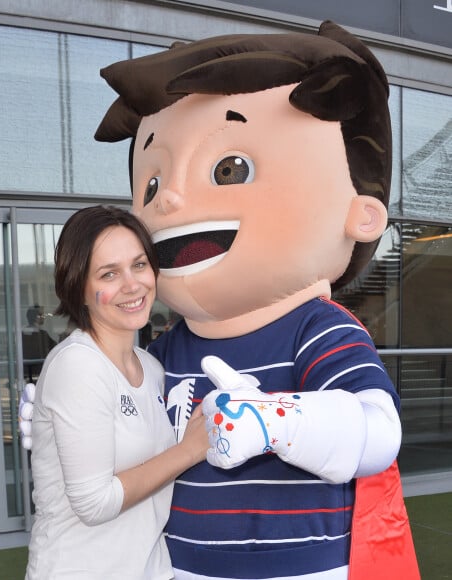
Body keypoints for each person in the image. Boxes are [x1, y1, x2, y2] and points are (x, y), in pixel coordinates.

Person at [23, 22, 420, 579]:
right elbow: (147, 447)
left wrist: (278, 421)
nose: (174, 200)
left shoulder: (318, 330)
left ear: (362, 214)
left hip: (296, 566)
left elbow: (378, 433)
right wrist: (70, 427)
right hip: (177, 565)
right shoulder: (165, 351)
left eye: (228, 169)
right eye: (154, 187)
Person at [24, 205, 209, 579]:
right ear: (80, 288)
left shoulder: (152, 367)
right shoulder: (77, 365)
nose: (132, 284)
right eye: (109, 274)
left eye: (139, 265)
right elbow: (94, 503)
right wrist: (189, 450)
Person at [22, 304, 57, 381]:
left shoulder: (23, 334)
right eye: (41, 315)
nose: (44, 317)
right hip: (37, 373)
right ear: (35, 317)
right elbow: (56, 348)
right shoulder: (42, 334)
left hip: (28, 372)